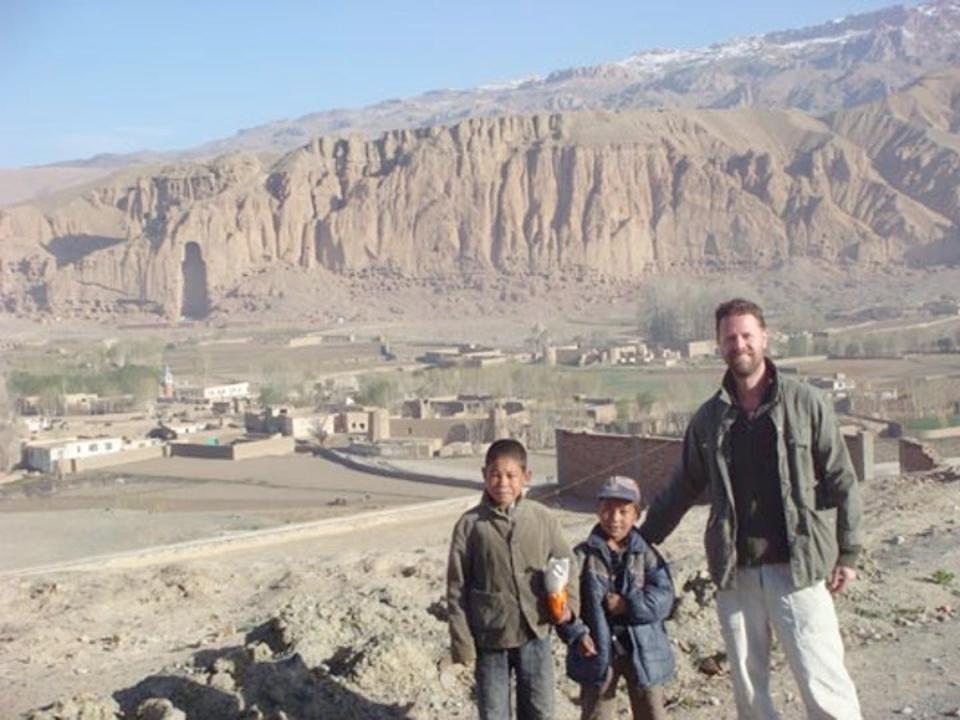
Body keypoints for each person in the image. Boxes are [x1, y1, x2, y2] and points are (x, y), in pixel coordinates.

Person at [640, 298, 863, 719]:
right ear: (719, 345)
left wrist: (848, 552)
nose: (739, 344)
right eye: (730, 338)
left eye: (746, 335)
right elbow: (682, 487)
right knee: (748, 692)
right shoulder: (709, 419)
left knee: (824, 684)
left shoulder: (806, 403)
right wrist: (639, 539)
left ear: (764, 338)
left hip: (798, 570)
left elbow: (842, 479)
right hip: (736, 573)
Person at [447, 438, 577, 720]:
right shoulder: (470, 526)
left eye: (511, 475)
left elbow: (567, 564)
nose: (502, 483)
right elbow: (457, 588)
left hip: (536, 632)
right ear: (484, 475)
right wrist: (463, 642)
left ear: (526, 477)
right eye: (495, 475)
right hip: (490, 636)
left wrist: (569, 608)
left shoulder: (542, 519)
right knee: (494, 711)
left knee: (540, 709)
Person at [559, 476, 675, 720]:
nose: (615, 518)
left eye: (623, 511)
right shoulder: (583, 556)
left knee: (651, 711)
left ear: (636, 514)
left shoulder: (647, 554)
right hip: (598, 650)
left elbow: (664, 598)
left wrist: (628, 605)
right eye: (608, 510)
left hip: (642, 649)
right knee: (597, 713)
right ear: (597, 510)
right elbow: (564, 602)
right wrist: (577, 633)